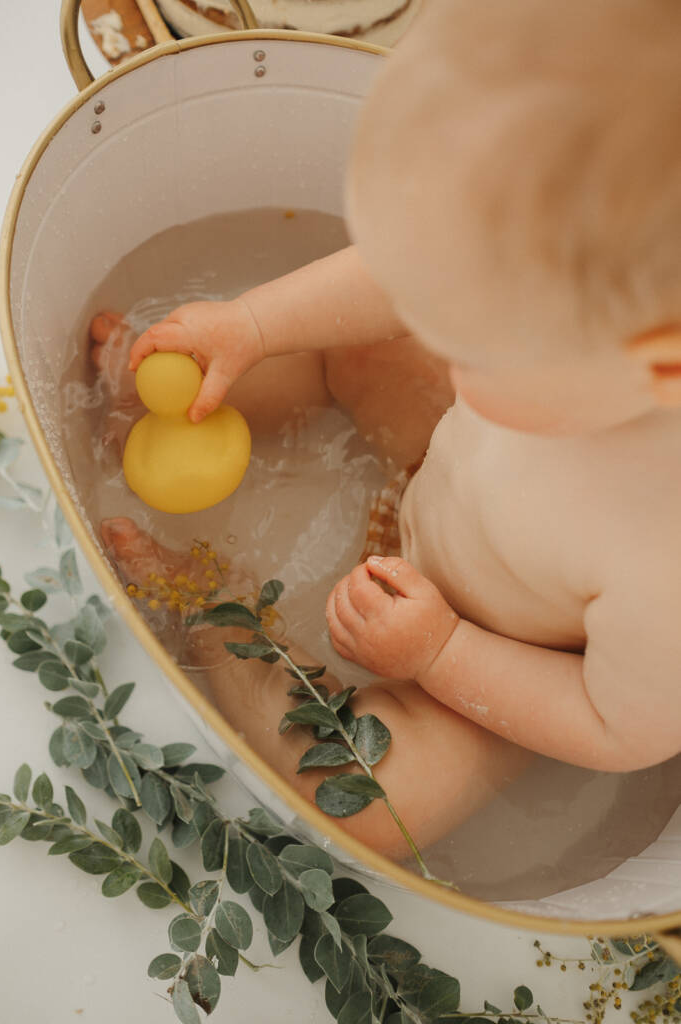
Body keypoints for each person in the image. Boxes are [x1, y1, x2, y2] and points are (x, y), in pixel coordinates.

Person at [96, 0, 681, 860]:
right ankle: (198, 401)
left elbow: (616, 727)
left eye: (473, 340)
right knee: (373, 348)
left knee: (367, 806)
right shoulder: (569, 320)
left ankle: (214, 613)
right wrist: (250, 328)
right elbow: (405, 276)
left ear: (659, 362)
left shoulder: (662, 562)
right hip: (435, 485)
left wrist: (440, 652)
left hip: (500, 661)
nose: (440, 336)